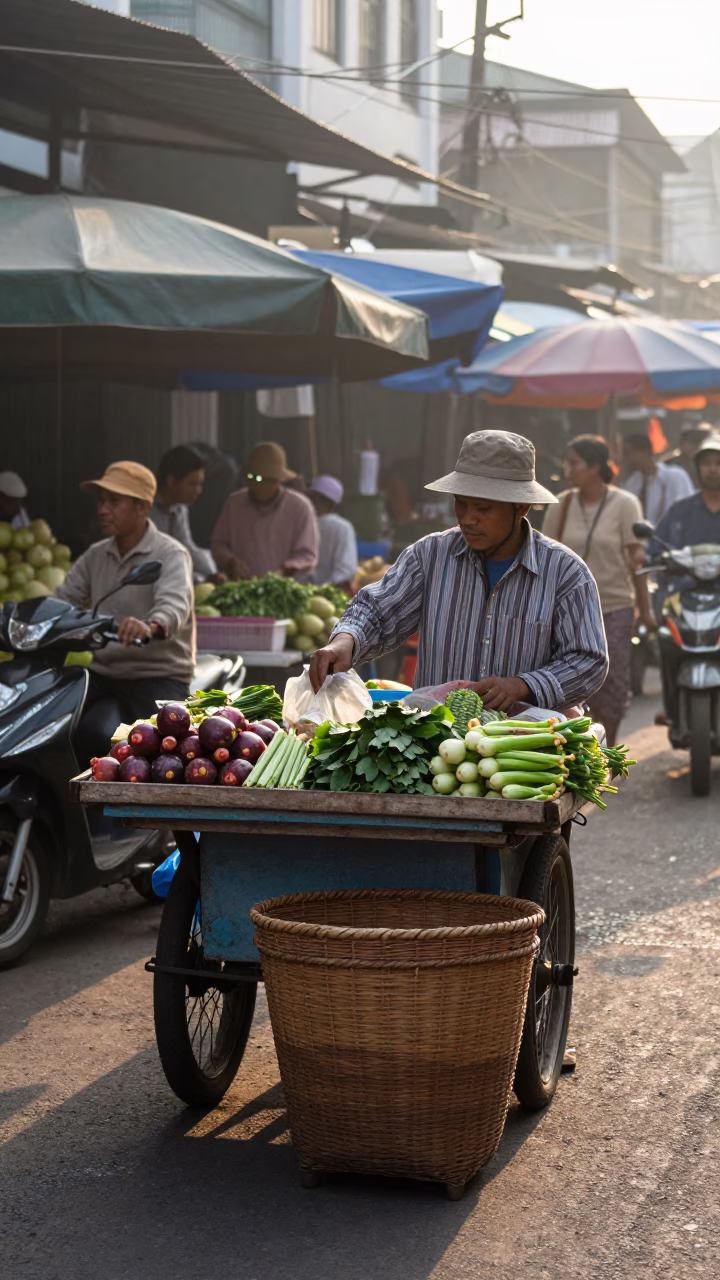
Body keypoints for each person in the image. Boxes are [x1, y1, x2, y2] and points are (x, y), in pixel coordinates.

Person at [310, 430, 608, 719]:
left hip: (523, 747)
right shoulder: (430, 556)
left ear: (522, 508)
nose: (467, 518)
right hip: (435, 742)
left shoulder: (566, 573)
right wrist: (345, 640)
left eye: (483, 508)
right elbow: (378, 610)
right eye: (460, 504)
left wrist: (524, 686)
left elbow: (588, 661)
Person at [56, 461, 195, 764]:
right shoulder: (96, 555)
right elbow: (63, 599)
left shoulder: (170, 554)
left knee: (159, 756)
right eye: (101, 501)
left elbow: (173, 606)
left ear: (142, 507)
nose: (103, 509)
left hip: (158, 676)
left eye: (114, 501)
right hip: (104, 674)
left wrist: (150, 626)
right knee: (61, 730)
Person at [543, 435, 652, 747]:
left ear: (595, 467)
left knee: (612, 682)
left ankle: (608, 749)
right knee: (566, 681)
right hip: (565, 611)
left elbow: (636, 563)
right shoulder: (560, 505)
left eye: (574, 462)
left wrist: (645, 612)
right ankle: (576, 746)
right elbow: (546, 558)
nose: (568, 468)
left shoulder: (625, 504)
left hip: (614, 608)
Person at [211, 442, 318, 581]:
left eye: (261, 479)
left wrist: (284, 571)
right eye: (252, 478)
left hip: (285, 590)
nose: (256, 484)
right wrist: (231, 561)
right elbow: (218, 544)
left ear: (277, 480)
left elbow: (307, 555)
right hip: (241, 588)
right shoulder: (234, 503)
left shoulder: (300, 507)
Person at [153, 445, 224, 584]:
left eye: (200, 484)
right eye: (192, 484)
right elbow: (159, 561)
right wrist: (200, 579)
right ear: (171, 481)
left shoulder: (180, 509)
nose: (198, 491)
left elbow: (186, 547)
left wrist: (212, 573)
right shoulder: (145, 510)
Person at [622, 434, 693, 524]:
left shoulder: (675, 476)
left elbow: (687, 510)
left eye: (630, 454)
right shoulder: (632, 483)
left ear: (646, 452)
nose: (629, 459)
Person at [309, 476, 358, 593]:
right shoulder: (343, 527)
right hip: (327, 598)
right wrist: (323, 589)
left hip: (299, 593)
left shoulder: (300, 522)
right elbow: (347, 570)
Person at [663, 421, 712, 488]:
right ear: (682, 443)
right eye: (692, 441)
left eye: (699, 442)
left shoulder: (709, 465)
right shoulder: (669, 465)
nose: (695, 447)